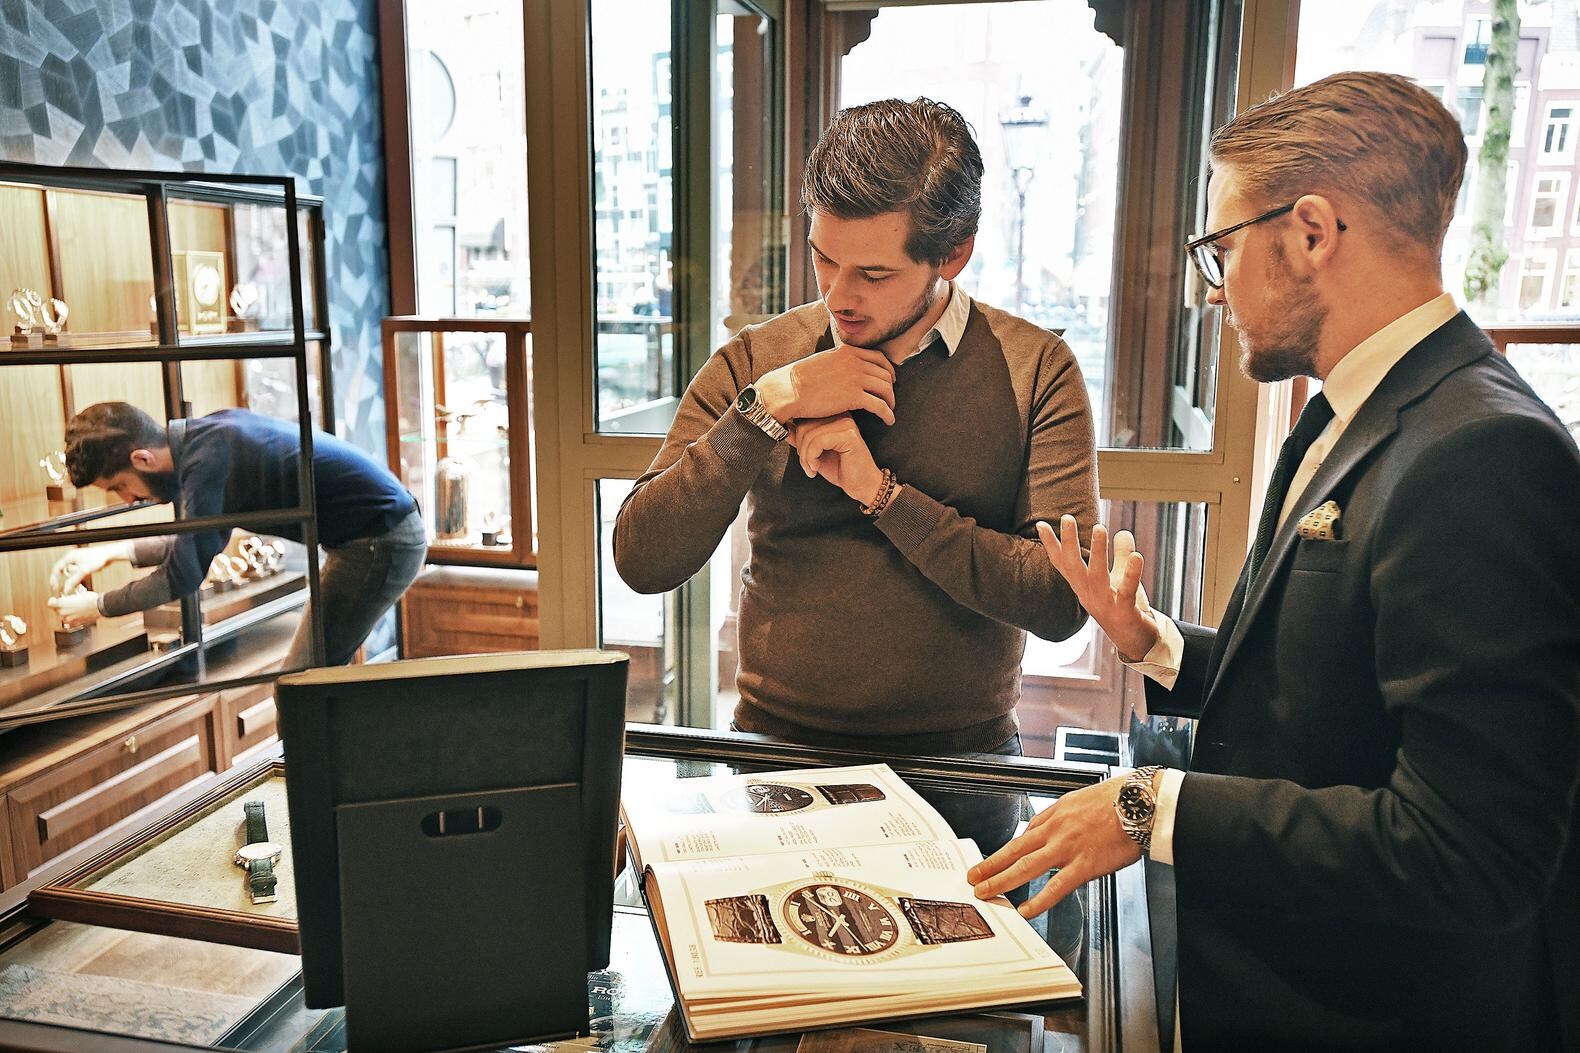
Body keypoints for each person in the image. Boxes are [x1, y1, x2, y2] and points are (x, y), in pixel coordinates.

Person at [968, 72, 1580, 1049]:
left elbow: (1470, 850)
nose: (1213, 290)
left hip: (1366, 1012)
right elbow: (1334, 704)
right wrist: (1157, 645)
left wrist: (1145, 806)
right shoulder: (1345, 415)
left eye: (1219, 249)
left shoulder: (1482, 451)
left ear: (1308, 231)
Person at [613, 98, 1099, 856]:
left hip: (960, 773)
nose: (840, 295)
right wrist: (765, 408)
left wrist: (884, 496)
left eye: (873, 272)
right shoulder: (759, 360)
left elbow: (1063, 601)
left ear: (954, 254)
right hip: (775, 757)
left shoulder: (1036, 370)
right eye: (823, 258)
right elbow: (643, 557)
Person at [49, 402, 427, 670]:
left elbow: (183, 573)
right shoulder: (206, 440)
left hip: (381, 542)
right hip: (378, 536)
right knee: (311, 685)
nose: (129, 499)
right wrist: (110, 553)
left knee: (301, 686)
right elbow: (194, 538)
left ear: (143, 459)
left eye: (119, 486)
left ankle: (332, 781)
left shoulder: (207, 461)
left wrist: (98, 605)